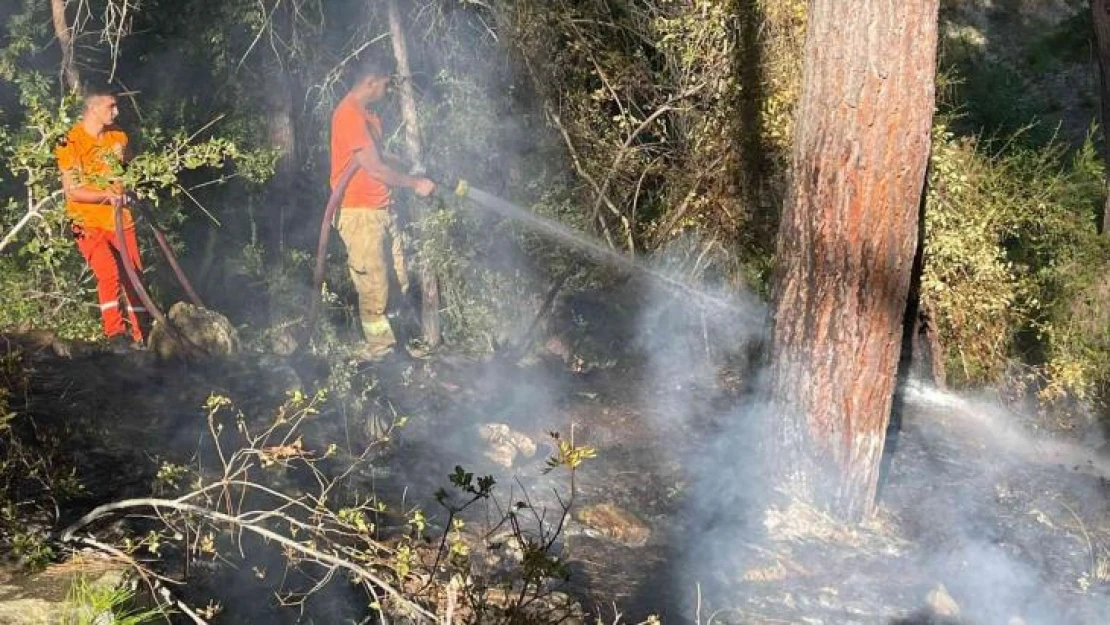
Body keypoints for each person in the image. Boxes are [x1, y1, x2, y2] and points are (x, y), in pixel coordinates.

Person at [329, 58, 435, 356]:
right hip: (359, 212)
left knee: (396, 279)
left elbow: (378, 156)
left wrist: (410, 167)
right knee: (374, 283)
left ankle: (397, 347)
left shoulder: (370, 116)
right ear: (370, 82)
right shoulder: (348, 114)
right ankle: (380, 352)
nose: (388, 89)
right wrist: (414, 184)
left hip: (382, 210)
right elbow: (374, 168)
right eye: (386, 83)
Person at [55, 86, 147, 350]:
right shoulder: (69, 141)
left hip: (120, 220)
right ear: (93, 108)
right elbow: (73, 191)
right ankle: (115, 335)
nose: (116, 112)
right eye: (111, 107)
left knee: (135, 276)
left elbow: (130, 168)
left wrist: (131, 186)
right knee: (108, 272)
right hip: (86, 222)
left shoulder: (118, 136)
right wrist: (108, 195)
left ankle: (143, 334)